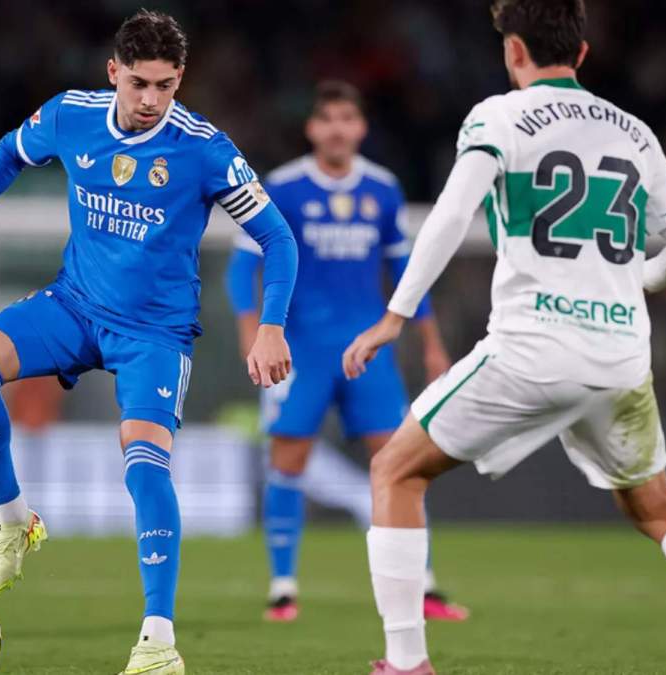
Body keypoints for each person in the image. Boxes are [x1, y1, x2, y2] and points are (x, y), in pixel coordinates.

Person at [341, 1, 666, 673]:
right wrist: (629, 282)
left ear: (514, 52)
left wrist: (397, 314)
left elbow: (449, 215)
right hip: (619, 356)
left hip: (532, 346)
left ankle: (406, 662)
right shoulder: (635, 132)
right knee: (654, 504)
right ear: (581, 55)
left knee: (395, 469)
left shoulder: (498, 115)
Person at [0, 11, 298, 674]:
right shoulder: (72, 115)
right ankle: (13, 521)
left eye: (167, 86)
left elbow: (279, 238)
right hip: (74, 305)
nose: (152, 101)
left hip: (154, 332)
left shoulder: (203, 148)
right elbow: (11, 151)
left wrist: (271, 324)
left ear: (181, 81)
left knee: (145, 461)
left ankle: (157, 639)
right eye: (141, 83)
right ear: (113, 72)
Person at [226, 80, 466, 623]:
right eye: (327, 118)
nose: (337, 128)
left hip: (367, 351)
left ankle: (421, 588)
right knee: (287, 462)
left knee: (401, 464)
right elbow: (243, 266)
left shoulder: (382, 190)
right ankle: (283, 589)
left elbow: (405, 273)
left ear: (361, 128)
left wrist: (432, 344)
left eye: (347, 118)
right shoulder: (282, 187)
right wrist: (252, 334)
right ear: (312, 127)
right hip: (301, 351)